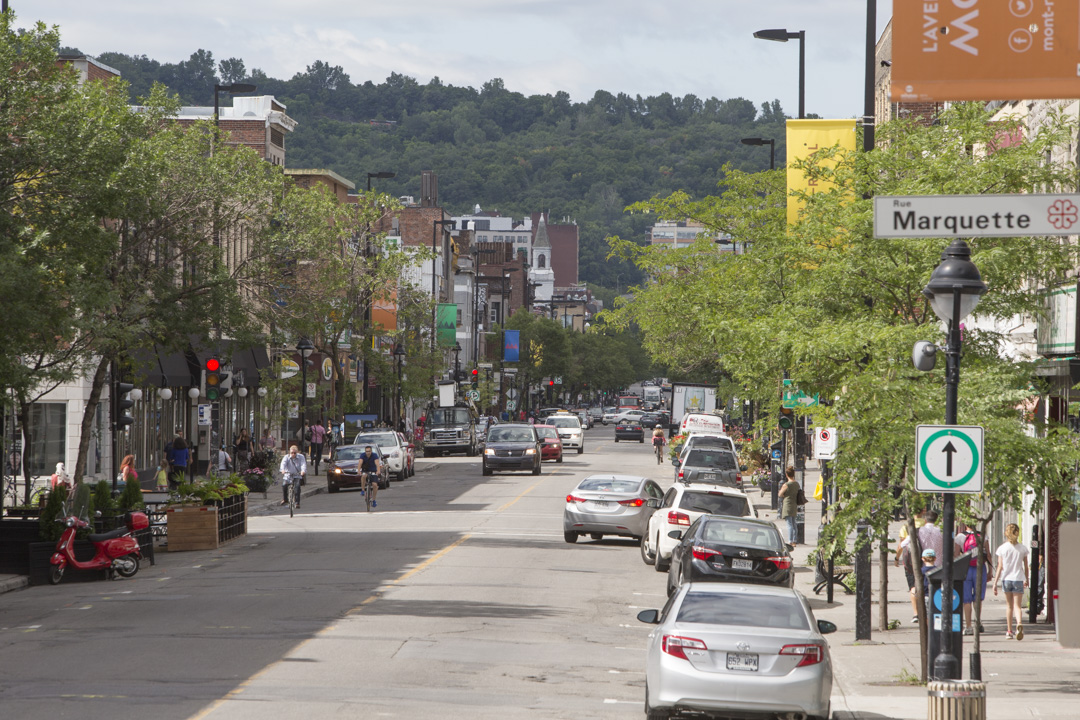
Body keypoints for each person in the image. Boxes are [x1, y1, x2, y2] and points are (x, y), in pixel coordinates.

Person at [994, 522, 1030, 640]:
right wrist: (1027, 579)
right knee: (1017, 606)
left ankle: (1009, 631)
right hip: (1018, 579)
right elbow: (1026, 566)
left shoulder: (1002, 548)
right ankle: (1019, 623)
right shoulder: (1022, 548)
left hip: (1006, 579)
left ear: (1006, 533)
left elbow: (1000, 566)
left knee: (1009, 606)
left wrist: (995, 583)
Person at [957, 520, 992, 635]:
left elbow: (956, 555)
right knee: (977, 598)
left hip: (966, 569)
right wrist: (990, 570)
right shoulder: (982, 535)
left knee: (966, 599)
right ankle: (977, 622)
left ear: (964, 524)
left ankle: (968, 626)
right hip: (980, 568)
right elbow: (988, 554)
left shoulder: (960, 537)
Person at [895, 525, 919, 624]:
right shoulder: (926, 531)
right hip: (926, 563)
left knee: (913, 587)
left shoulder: (906, 531)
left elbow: (900, 546)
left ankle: (916, 613)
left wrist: (896, 558)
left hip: (911, 566)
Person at [778, 467, 800, 545]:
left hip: (787, 504)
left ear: (786, 475)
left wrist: (784, 494)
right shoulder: (796, 484)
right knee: (794, 523)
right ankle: (794, 540)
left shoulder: (786, 485)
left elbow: (780, 494)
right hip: (794, 504)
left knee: (789, 524)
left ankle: (790, 541)